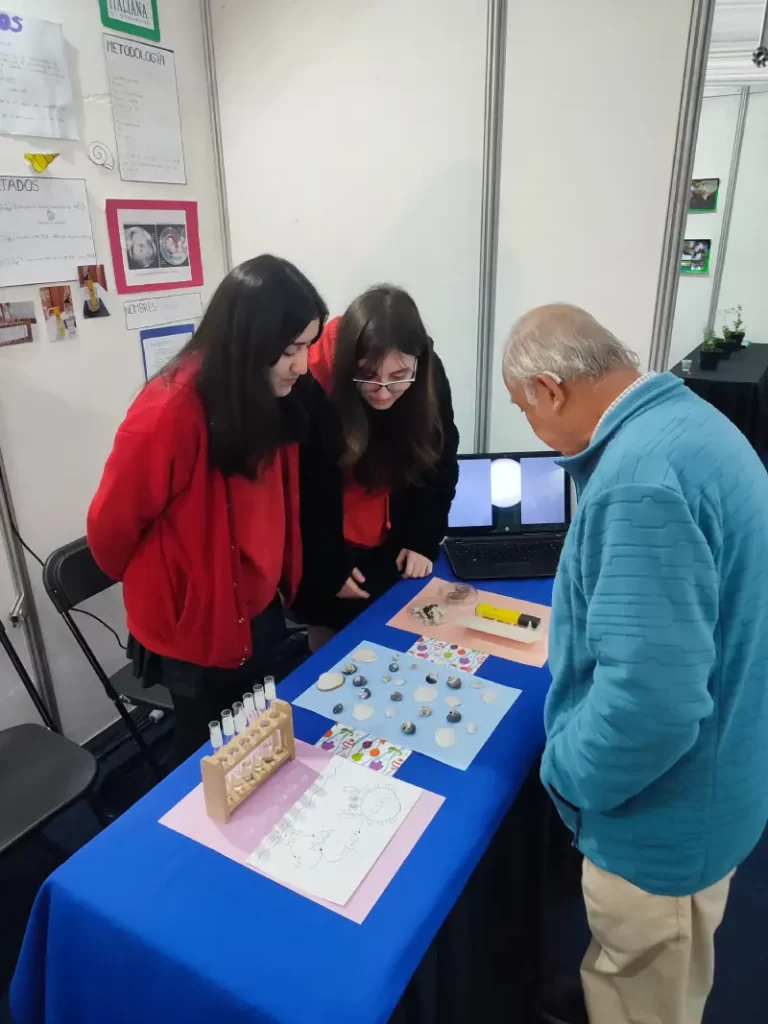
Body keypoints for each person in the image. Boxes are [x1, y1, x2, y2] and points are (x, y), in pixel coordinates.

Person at [501, 303, 768, 1024]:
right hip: (717, 785)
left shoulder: (637, 480)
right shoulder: (690, 423)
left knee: (649, 996)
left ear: (551, 389)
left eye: (524, 408)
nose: (534, 431)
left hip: (666, 822)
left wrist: (564, 775)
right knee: (643, 973)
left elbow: (651, 706)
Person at [87, 255, 328, 764]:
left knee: (255, 739)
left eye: (308, 346)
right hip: (196, 620)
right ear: (247, 344)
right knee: (208, 757)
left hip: (256, 605)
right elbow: (110, 531)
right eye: (288, 350)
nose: (302, 365)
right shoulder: (170, 410)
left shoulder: (271, 392)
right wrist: (182, 585)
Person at [294, 284, 459, 649]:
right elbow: (304, 489)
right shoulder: (311, 381)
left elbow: (440, 455)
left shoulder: (427, 370)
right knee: (330, 649)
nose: (383, 391)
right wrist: (326, 564)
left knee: (398, 641)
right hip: (327, 533)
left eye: (398, 375)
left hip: (395, 530)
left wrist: (422, 538)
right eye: (367, 375)